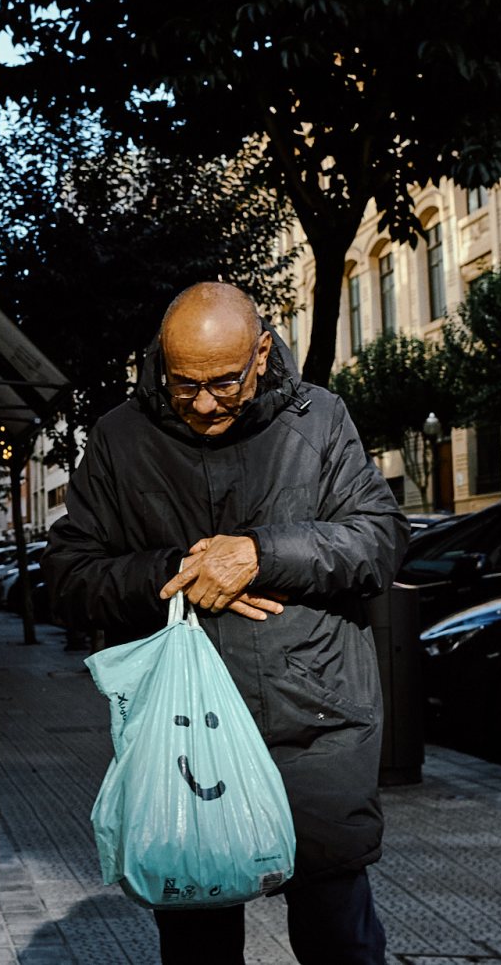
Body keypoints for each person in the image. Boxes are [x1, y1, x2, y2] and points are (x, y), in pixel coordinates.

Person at [43, 282, 409, 965]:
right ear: (161, 361)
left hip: (315, 727)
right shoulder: (121, 439)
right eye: (185, 386)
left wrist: (261, 554)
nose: (204, 404)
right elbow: (67, 576)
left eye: (223, 383)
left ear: (262, 352)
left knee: (341, 938)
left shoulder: (321, 419)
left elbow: (380, 541)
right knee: (198, 945)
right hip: (186, 738)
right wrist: (176, 571)